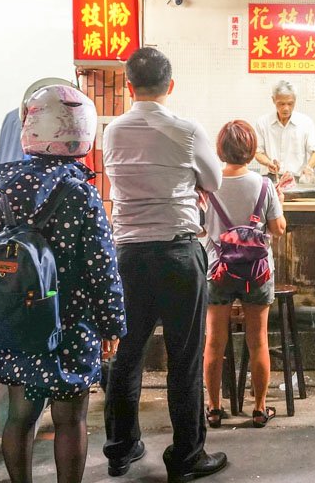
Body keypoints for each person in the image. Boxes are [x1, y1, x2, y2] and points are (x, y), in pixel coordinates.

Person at [102, 47, 228, 482]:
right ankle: (187, 456)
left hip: (130, 255)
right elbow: (213, 181)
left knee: (127, 354)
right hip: (177, 253)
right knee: (184, 357)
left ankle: (120, 448)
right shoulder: (187, 130)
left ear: (127, 85)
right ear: (170, 85)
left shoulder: (112, 132)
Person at [0, 84, 126, 483]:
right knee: (70, 419)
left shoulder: (8, 190)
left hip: (20, 319)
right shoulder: (82, 194)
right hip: (70, 322)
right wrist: (112, 324)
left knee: (19, 417)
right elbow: (102, 267)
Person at [201, 120, 287, 429]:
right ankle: (260, 408)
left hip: (218, 270)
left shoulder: (208, 185)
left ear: (220, 150)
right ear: (251, 152)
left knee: (214, 342)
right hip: (257, 274)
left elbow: (200, 228)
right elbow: (278, 229)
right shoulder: (264, 185)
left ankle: (213, 408)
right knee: (258, 341)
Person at [253, 80, 315, 183]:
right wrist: (268, 163)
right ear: (273, 100)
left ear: (295, 100)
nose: (286, 108)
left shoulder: (305, 122)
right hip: (270, 178)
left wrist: (309, 167)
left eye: (290, 103)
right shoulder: (263, 123)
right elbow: (257, 152)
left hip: (296, 179)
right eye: (281, 104)